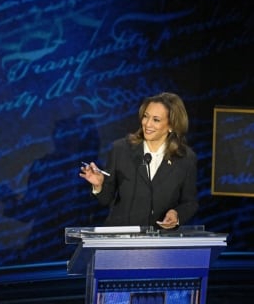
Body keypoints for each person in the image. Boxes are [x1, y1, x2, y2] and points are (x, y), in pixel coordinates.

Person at [79, 92, 198, 228]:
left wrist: (176, 214)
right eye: (146, 117)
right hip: (121, 239)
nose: (147, 124)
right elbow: (106, 199)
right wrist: (99, 185)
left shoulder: (185, 158)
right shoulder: (121, 149)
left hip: (160, 241)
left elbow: (190, 202)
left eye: (156, 120)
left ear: (171, 126)